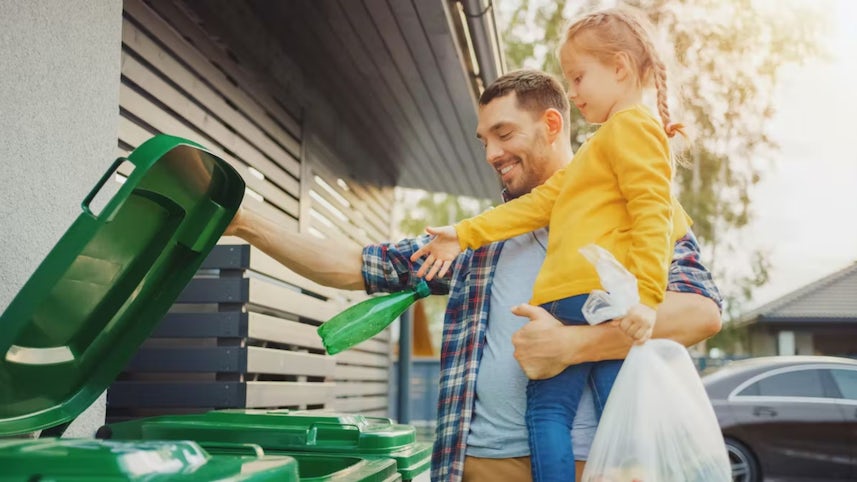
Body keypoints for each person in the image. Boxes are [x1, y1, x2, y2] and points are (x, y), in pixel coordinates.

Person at [224, 70, 721, 482]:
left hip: (592, 468)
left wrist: (573, 345)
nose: (491, 155)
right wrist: (245, 222)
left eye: (504, 134)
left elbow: (699, 315)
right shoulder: (477, 240)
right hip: (478, 467)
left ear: (552, 124)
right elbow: (356, 266)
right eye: (484, 140)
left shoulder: (637, 208)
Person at [411, 8, 691, 481]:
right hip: (583, 301)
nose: (574, 92)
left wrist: (646, 296)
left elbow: (653, 213)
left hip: (587, 299)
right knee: (616, 410)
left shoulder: (632, 128)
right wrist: (464, 233)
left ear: (620, 68)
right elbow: (537, 206)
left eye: (579, 78)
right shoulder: (597, 151)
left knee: (550, 414)